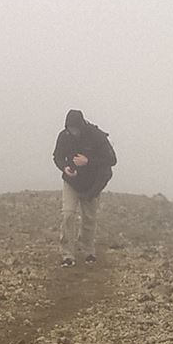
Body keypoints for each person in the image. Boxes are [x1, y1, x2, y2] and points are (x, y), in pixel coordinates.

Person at [52, 109, 116, 264]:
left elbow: (111, 160)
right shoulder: (64, 136)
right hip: (71, 182)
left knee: (89, 218)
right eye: (69, 128)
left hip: (92, 183)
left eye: (74, 128)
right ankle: (67, 254)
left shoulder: (97, 136)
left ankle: (88, 250)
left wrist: (88, 161)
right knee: (68, 214)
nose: (72, 132)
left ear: (81, 125)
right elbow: (57, 157)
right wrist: (64, 168)